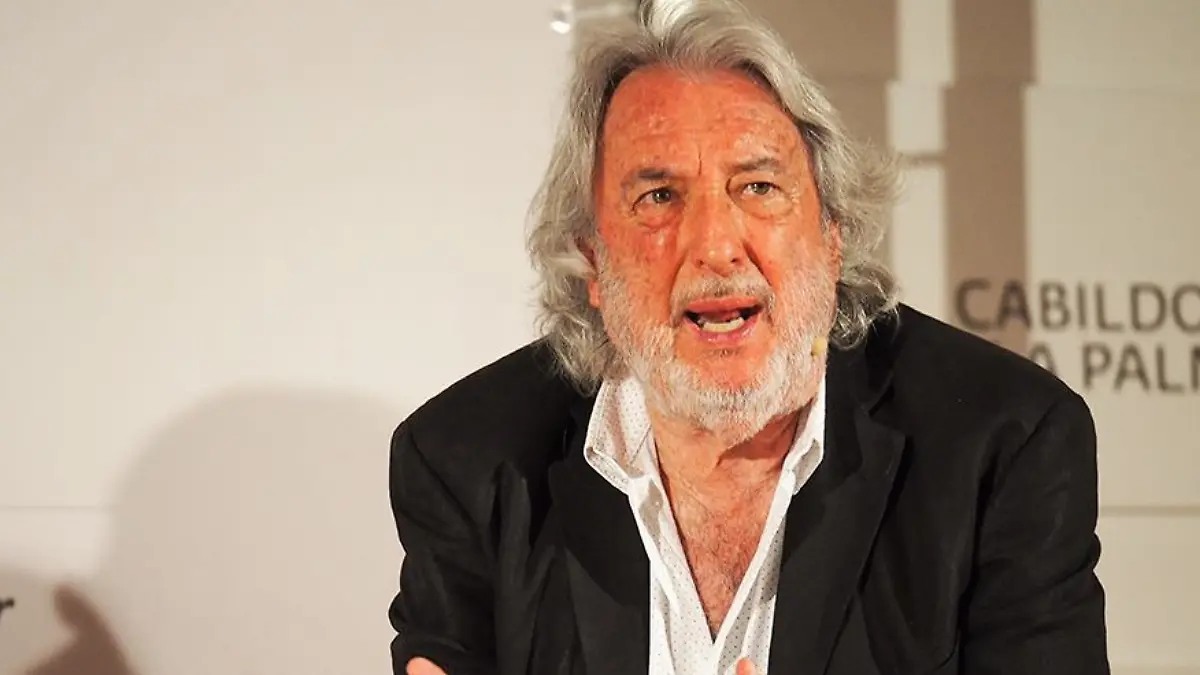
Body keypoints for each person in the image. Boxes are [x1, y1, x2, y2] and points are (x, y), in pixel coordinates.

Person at [386, 1, 1110, 673]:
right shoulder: (469, 462)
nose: (715, 246)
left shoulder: (1001, 444)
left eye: (758, 187)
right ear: (593, 262)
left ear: (833, 234)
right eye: (659, 196)